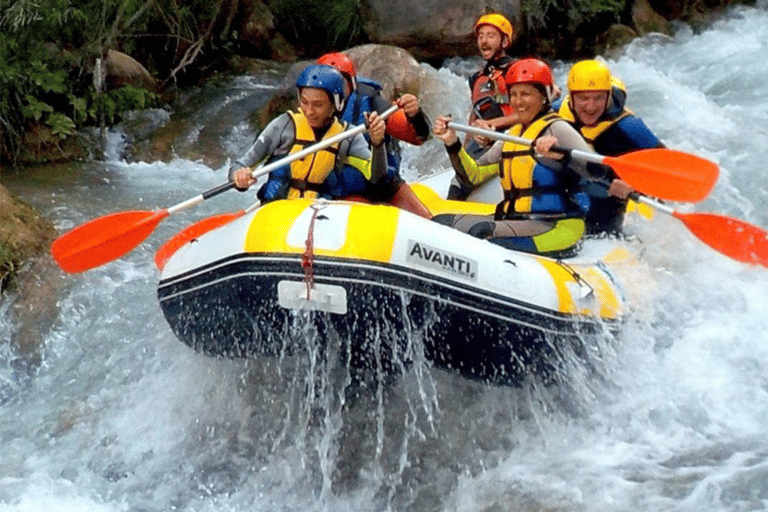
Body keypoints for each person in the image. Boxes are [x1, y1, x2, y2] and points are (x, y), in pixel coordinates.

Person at [433, 58, 630, 256]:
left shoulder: (558, 128)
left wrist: (560, 156)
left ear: (544, 96)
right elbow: (472, 176)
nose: (518, 102)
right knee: (441, 223)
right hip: (516, 220)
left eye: (526, 94)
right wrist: (452, 142)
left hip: (558, 227)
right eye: (514, 95)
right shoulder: (512, 136)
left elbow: (597, 171)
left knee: (481, 232)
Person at [229, 64, 386, 202]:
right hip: (277, 210)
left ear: (335, 104)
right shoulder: (284, 126)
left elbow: (375, 177)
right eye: (304, 102)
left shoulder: (348, 136)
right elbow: (239, 165)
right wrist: (239, 176)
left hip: (319, 213)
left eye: (318, 105)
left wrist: (378, 144)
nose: (309, 112)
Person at [554, 59, 664, 235]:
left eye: (598, 98)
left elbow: (663, 167)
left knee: (601, 222)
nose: (591, 106)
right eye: (583, 98)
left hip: (612, 198)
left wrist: (634, 185)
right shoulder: (556, 113)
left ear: (608, 95)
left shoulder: (630, 127)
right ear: (572, 97)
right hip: (570, 188)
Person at [316, 52, 432, 218]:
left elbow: (419, 136)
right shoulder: (310, 112)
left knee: (428, 221)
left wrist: (414, 114)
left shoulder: (371, 102)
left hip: (384, 184)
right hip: (344, 193)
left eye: (339, 82)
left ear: (351, 84)